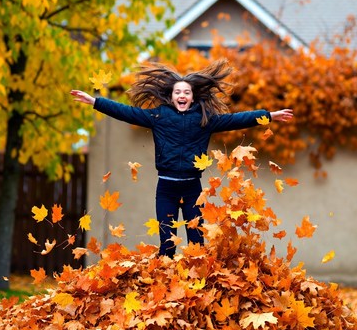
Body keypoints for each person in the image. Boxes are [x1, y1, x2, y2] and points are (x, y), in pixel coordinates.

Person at [70, 59, 293, 258]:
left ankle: (196, 293)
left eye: (186, 92)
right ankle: (165, 296)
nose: (182, 96)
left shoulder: (205, 119)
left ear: (192, 96)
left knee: (196, 244)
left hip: (192, 190)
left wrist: (269, 115)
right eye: (178, 92)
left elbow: (237, 119)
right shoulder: (158, 116)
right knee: (167, 246)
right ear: (171, 96)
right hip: (166, 188)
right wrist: (95, 102)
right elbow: (126, 112)